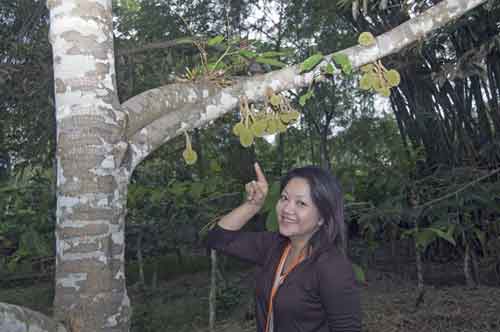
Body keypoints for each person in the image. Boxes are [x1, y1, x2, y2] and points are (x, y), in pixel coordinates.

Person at [206, 163, 361, 332]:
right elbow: (218, 239)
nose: (287, 209)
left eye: (301, 203)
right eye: (284, 198)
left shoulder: (332, 267)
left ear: (322, 218)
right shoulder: (274, 245)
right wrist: (253, 206)